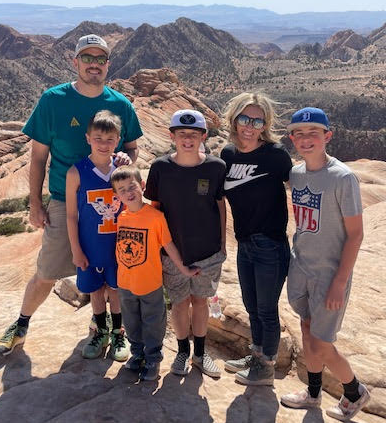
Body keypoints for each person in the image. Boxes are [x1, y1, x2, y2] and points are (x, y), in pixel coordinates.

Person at [0, 34, 142, 357]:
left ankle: (108, 330)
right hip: (65, 200)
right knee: (47, 272)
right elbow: (38, 158)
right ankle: (20, 325)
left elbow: (132, 148)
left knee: (113, 273)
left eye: (100, 59)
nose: (93, 65)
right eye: (87, 58)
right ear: (75, 62)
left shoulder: (121, 105)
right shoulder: (53, 100)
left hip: (112, 204)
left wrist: (127, 159)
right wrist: (35, 203)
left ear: (107, 65)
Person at [280, 107, 370, 421]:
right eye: (299, 134)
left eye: (313, 133)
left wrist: (339, 283)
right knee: (307, 328)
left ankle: (355, 391)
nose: (306, 140)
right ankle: (313, 392)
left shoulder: (343, 178)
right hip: (302, 266)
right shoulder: (296, 174)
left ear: (327, 136)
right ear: (292, 138)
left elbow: (356, 234)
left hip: (330, 273)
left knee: (321, 343)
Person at [144, 109, 227, 379]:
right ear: (172, 136)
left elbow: (220, 204)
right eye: (182, 134)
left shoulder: (216, 167)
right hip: (173, 251)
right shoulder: (160, 168)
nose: (188, 139)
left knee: (200, 302)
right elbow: (155, 208)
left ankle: (200, 354)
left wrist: (223, 243)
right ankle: (182, 352)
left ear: (204, 136)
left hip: (207, 251)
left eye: (193, 134)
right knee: (180, 303)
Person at [220, 93, 292, 386]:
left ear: (265, 125)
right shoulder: (228, 154)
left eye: (257, 121)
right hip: (245, 243)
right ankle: (258, 355)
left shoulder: (275, 155)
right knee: (251, 306)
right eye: (245, 119)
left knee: (266, 310)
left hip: (271, 244)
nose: (250, 126)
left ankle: (266, 368)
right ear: (234, 119)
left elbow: (301, 186)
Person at [111, 165, 199, 381]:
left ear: (142, 186)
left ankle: (152, 358)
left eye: (132, 186)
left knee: (153, 322)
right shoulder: (122, 217)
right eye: (122, 190)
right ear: (117, 195)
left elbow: (168, 245)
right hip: (125, 283)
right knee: (131, 322)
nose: (128, 193)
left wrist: (184, 269)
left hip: (149, 283)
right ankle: (137, 354)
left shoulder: (155, 217)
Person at [65, 111, 130, 361]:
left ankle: (118, 333)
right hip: (90, 245)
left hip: (118, 245)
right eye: (98, 138)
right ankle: (100, 332)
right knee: (95, 290)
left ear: (118, 140)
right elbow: (71, 215)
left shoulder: (122, 170)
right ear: (88, 138)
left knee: (116, 289)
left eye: (110, 139)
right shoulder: (76, 172)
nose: (104, 144)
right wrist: (76, 250)